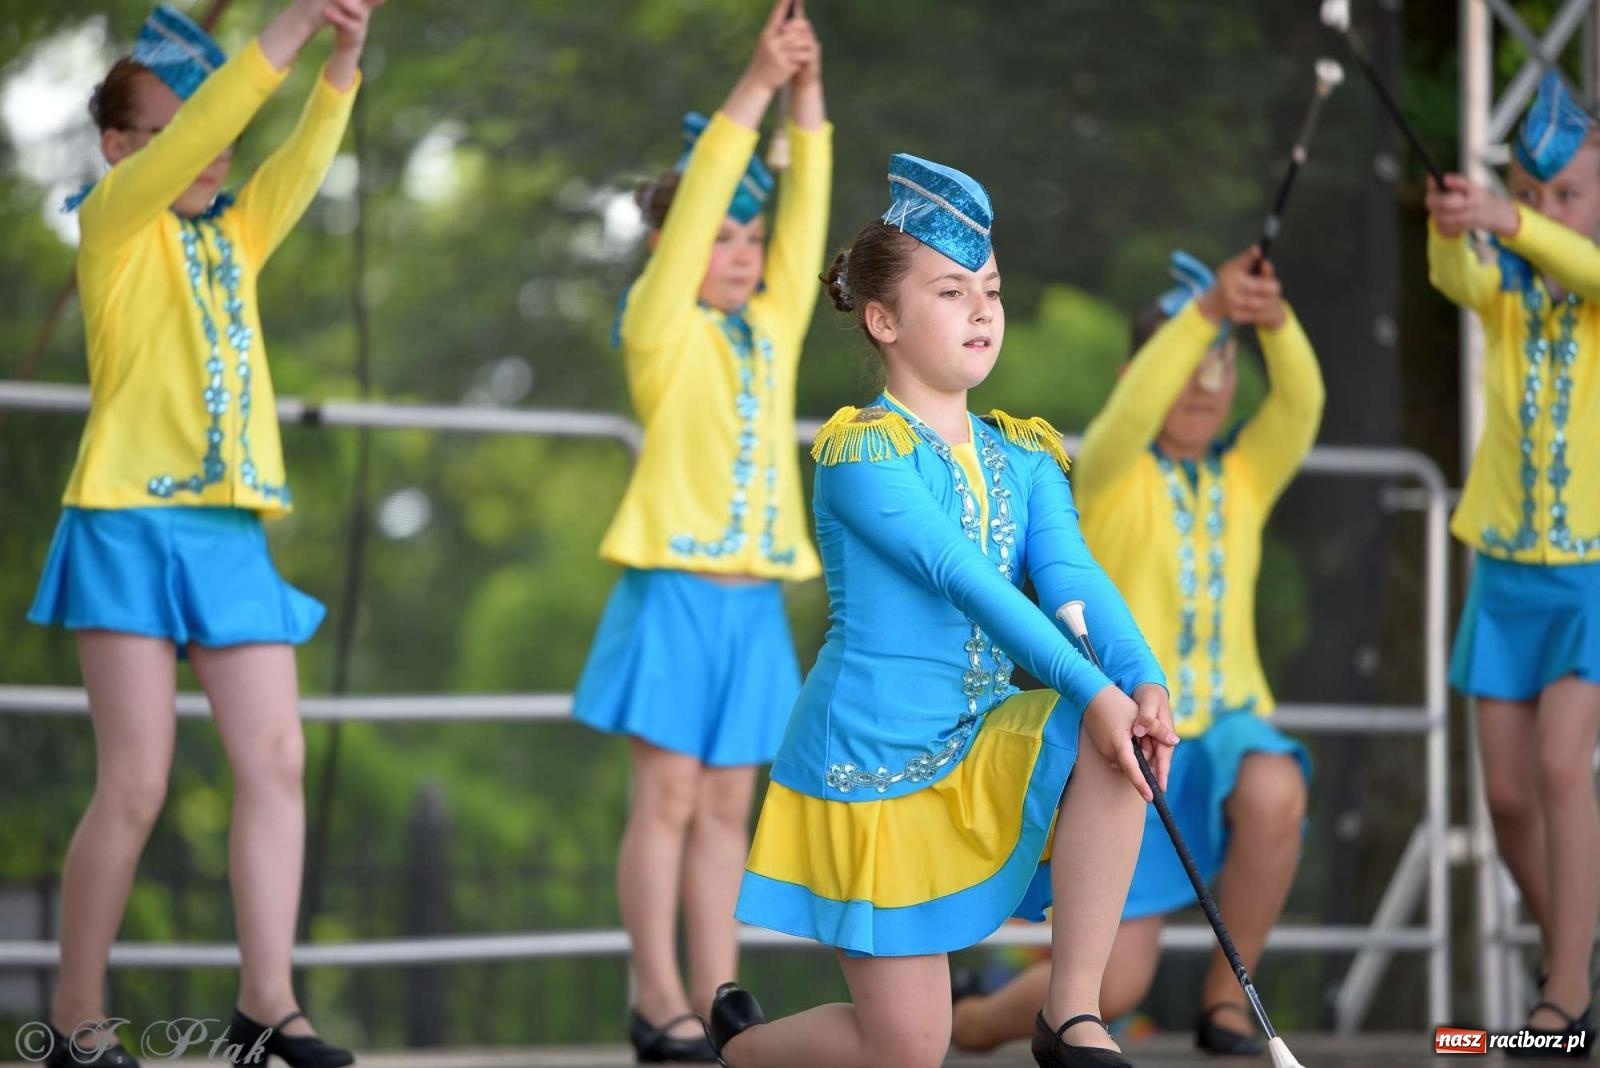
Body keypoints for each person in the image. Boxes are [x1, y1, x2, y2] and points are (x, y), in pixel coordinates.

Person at [707, 151, 1179, 1068]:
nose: (982, 310)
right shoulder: (860, 458)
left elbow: (1072, 576)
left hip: (975, 744)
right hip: (870, 763)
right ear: (882, 320)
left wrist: (1143, 680)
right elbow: (972, 582)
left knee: (1118, 739)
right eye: (952, 291)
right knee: (909, 1053)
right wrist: (1095, 690)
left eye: (991, 290)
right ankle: (741, 1055)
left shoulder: (1027, 457)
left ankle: (1070, 1014)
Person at [28, 2, 381, 1066]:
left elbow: (304, 154)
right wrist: (280, 33)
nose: (211, 144)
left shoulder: (234, 230)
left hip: (228, 532)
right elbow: (205, 124)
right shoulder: (111, 221)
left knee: (277, 757)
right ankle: (78, 1018)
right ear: (119, 146)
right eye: (179, 125)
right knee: (135, 780)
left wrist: (342, 59)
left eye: (219, 128)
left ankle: (268, 1007)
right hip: (128, 524)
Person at [952, 246, 1323, 1056]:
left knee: (1274, 783)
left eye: (1221, 369)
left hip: (1225, 730)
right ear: (1141, 373)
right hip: (1140, 743)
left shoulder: (1247, 474)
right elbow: (1127, 416)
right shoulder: (1112, 470)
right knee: (1114, 987)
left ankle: (1230, 1003)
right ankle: (970, 1022)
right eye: (1187, 366)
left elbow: (1302, 402)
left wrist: (1272, 317)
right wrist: (1206, 317)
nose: (1204, 384)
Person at [570, 0, 829, 1060]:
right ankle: (656, 995)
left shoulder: (773, 324)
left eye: (751, 237)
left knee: (730, 808)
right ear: (679, 242)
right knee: (667, 799)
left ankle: (719, 998)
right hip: (672, 591)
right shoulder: (656, 324)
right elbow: (698, 220)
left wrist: (806, 87)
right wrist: (755, 85)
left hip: (753, 601)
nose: (740, 251)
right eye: (721, 233)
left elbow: (808, 206)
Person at [1427, 69, 1600, 1056]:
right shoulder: (1505, 284)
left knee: (1557, 768)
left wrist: (1517, 221)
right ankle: (1572, 948)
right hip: (1502, 567)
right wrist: (1453, 222)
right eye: (1529, 196)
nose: (1541, 214)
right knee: (1503, 796)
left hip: (1588, 569)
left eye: (1566, 196)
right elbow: (1456, 274)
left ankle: (1565, 992)